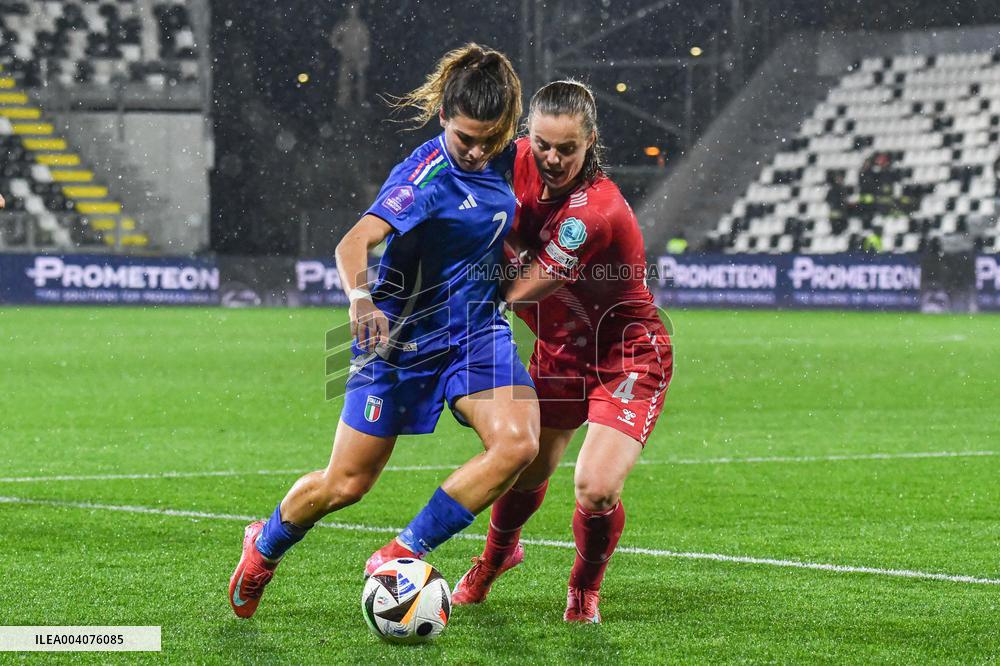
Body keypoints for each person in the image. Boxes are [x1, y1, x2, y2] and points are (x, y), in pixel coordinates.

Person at [228, 44, 539, 619]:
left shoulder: (511, 158)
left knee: (518, 443)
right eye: (464, 136)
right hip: (398, 347)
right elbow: (353, 241)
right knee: (345, 485)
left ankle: (402, 552)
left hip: (475, 336)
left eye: (487, 139)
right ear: (443, 116)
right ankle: (264, 544)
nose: (474, 151)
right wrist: (360, 298)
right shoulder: (424, 176)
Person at [451, 80, 673, 623]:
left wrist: (457, 287)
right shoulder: (515, 156)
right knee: (523, 467)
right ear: (528, 134)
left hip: (627, 355)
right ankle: (496, 559)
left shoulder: (593, 212)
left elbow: (528, 286)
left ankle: (583, 589)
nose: (552, 158)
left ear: (591, 140)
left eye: (567, 148)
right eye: (543, 145)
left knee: (594, 489)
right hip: (559, 352)